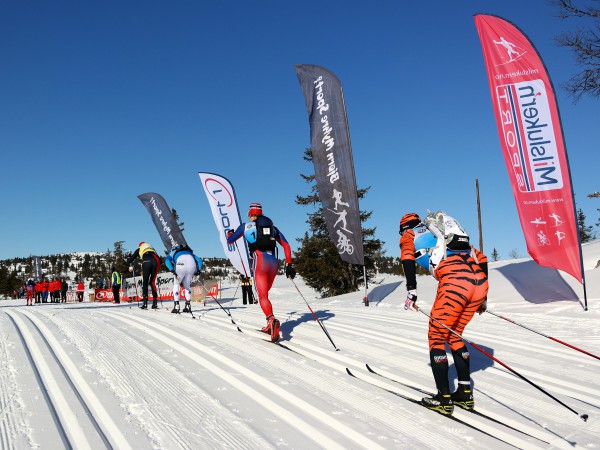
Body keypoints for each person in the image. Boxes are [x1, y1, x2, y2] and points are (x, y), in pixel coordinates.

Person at [399, 211, 488, 416]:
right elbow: (481, 258)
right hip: (479, 284)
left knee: (437, 337)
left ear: (403, 227)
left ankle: (443, 398)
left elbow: (407, 259)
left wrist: (411, 291)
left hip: (455, 283)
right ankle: (465, 393)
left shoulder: (409, 235)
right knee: (454, 334)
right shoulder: (442, 234)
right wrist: (483, 298)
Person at [226, 202, 295, 342]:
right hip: (274, 262)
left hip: (260, 260)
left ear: (251, 214)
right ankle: (269, 323)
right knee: (265, 295)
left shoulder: (246, 226)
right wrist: (289, 265)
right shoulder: (273, 228)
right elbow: (286, 245)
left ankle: (271, 320)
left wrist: (230, 233)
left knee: (262, 296)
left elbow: (230, 241)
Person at [165, 244, 203, 314]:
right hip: (192, 265)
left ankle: (176, 306)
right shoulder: (189, 252)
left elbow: (167, 261)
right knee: (187, 286)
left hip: (180, 265)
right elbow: (200, 260)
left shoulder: (173, 252)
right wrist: (199, 270)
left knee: (176, 285)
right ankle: (188, 305)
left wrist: (172, 270)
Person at [126, 242, 161, 310]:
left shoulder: (140, 249)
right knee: (152, 282)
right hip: (156, 260)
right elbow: (160, 259)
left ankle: (145, 304)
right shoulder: (151, 247)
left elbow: (130, 260)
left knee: (145, 282)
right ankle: (155, 303)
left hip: (147, 261)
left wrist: (128, 260)